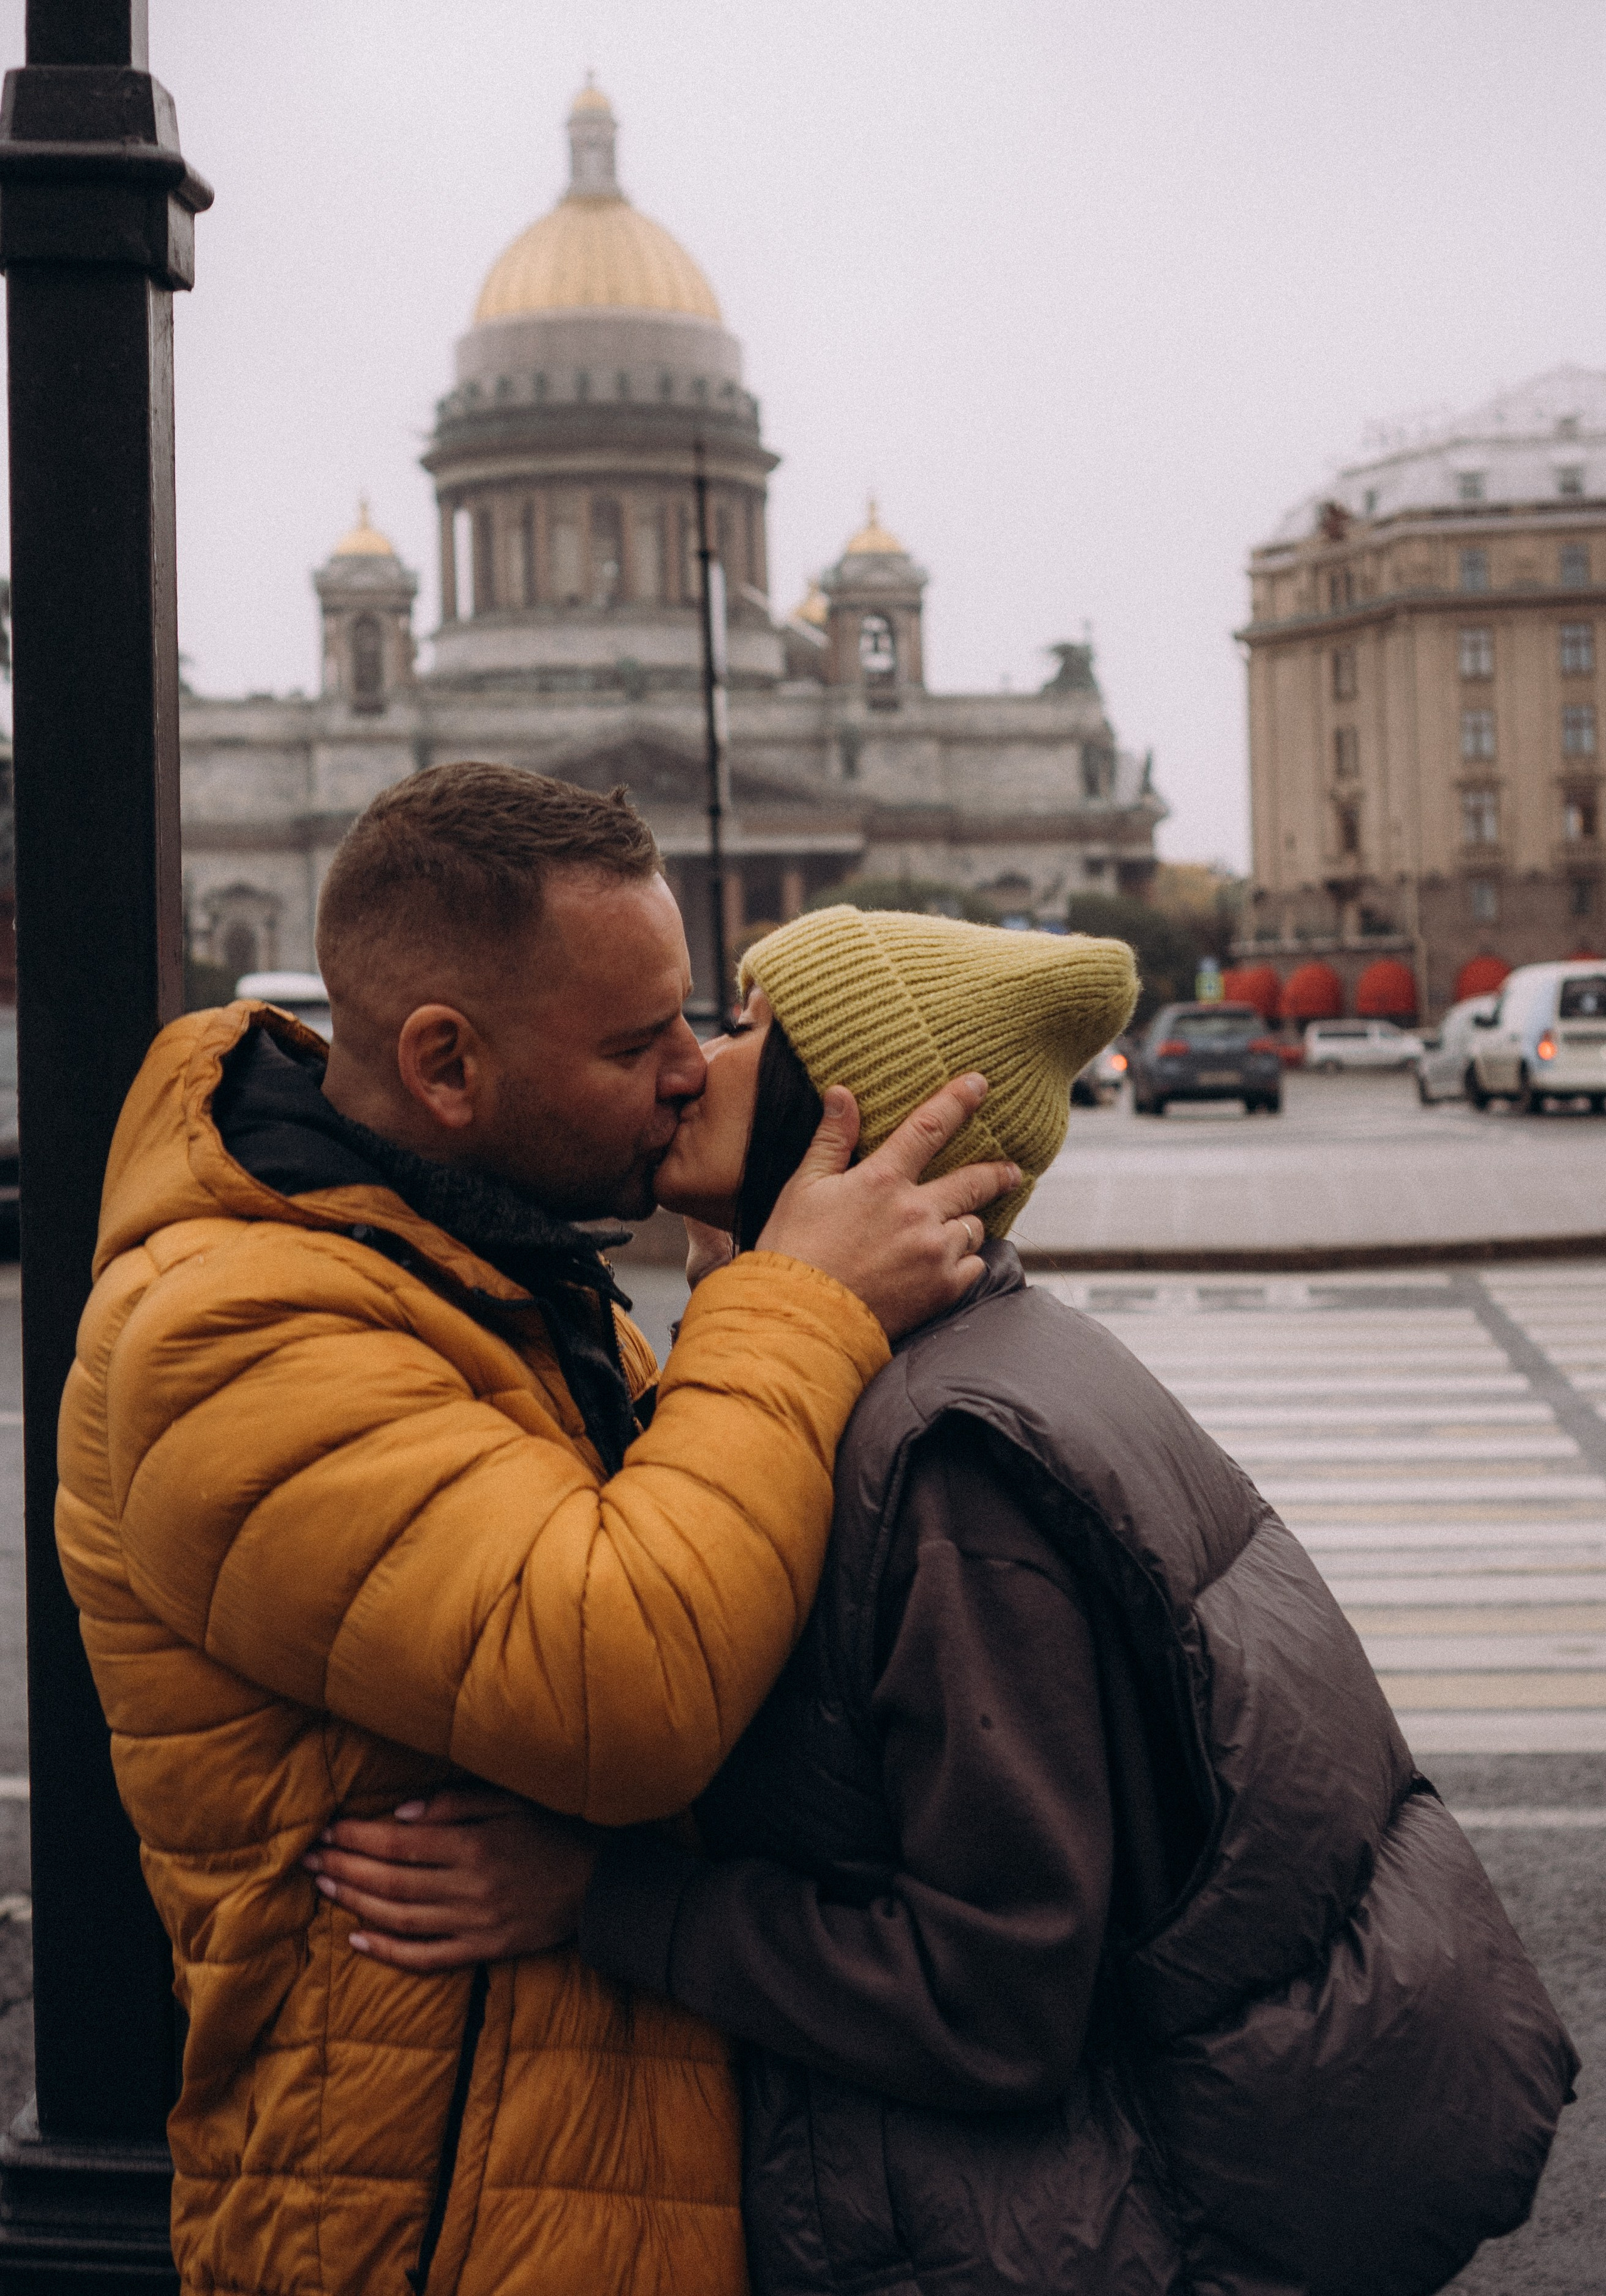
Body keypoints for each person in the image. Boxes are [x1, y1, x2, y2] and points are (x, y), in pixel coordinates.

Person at [318, 903, 1579, 2296]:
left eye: (749, 1035)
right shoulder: (954, 1360)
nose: (690, 1066)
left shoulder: (942, 1457)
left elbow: (991, 2000)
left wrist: (598, 1898)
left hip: (1046, 2239)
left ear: (854, 1121)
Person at [53, 768, 1027, 2296]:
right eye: (638, 1044)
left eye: (695, 1024)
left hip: (555, 2169)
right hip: (424, 2226)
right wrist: (796, 1304)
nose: (693, 1076)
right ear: (446, 1064)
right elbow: (621, 1687)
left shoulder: (475, 1264)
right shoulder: (230, 1329)